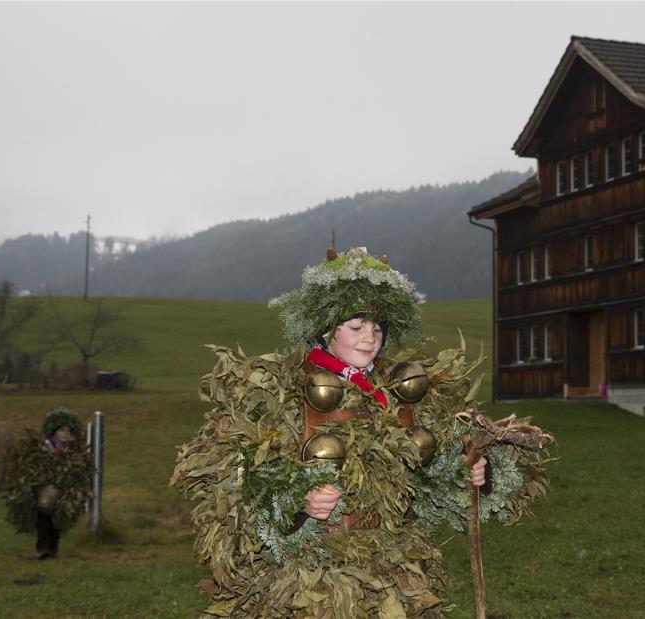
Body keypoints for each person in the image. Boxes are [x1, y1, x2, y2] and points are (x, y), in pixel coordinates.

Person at [172, 247, 552, 617]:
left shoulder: (403, 391)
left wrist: (474, 473)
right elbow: (238, 485)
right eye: (355, 327)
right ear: (325, 331)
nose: (369, 339)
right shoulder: (282, 392)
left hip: (394, 573)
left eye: (377, 328)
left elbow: (435, 481)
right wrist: (297, 506)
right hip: (312, 576)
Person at [2, 407, 93, 560]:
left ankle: (53, 549)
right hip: (42, 492)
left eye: (69, 431)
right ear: (53, 431)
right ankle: (43, 549)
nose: (66, 434)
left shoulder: (73, 451)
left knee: (57, 520)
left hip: (62, 492)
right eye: (62, 430)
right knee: (43, 518)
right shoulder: (44, 447)